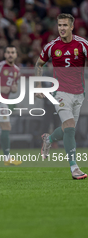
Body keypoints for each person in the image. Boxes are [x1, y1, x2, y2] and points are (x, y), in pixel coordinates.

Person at [36, 13, 88, 180]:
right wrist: (38, 85)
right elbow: (39, 63)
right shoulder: (51, 46)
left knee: (67, 130)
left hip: (79, 93)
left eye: (65, 25)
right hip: (60, 92)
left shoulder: (82, 44)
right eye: (60, 25)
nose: (62, 28)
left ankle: (49, 138)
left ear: (72, 27)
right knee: (70, 127)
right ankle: (74, 168)